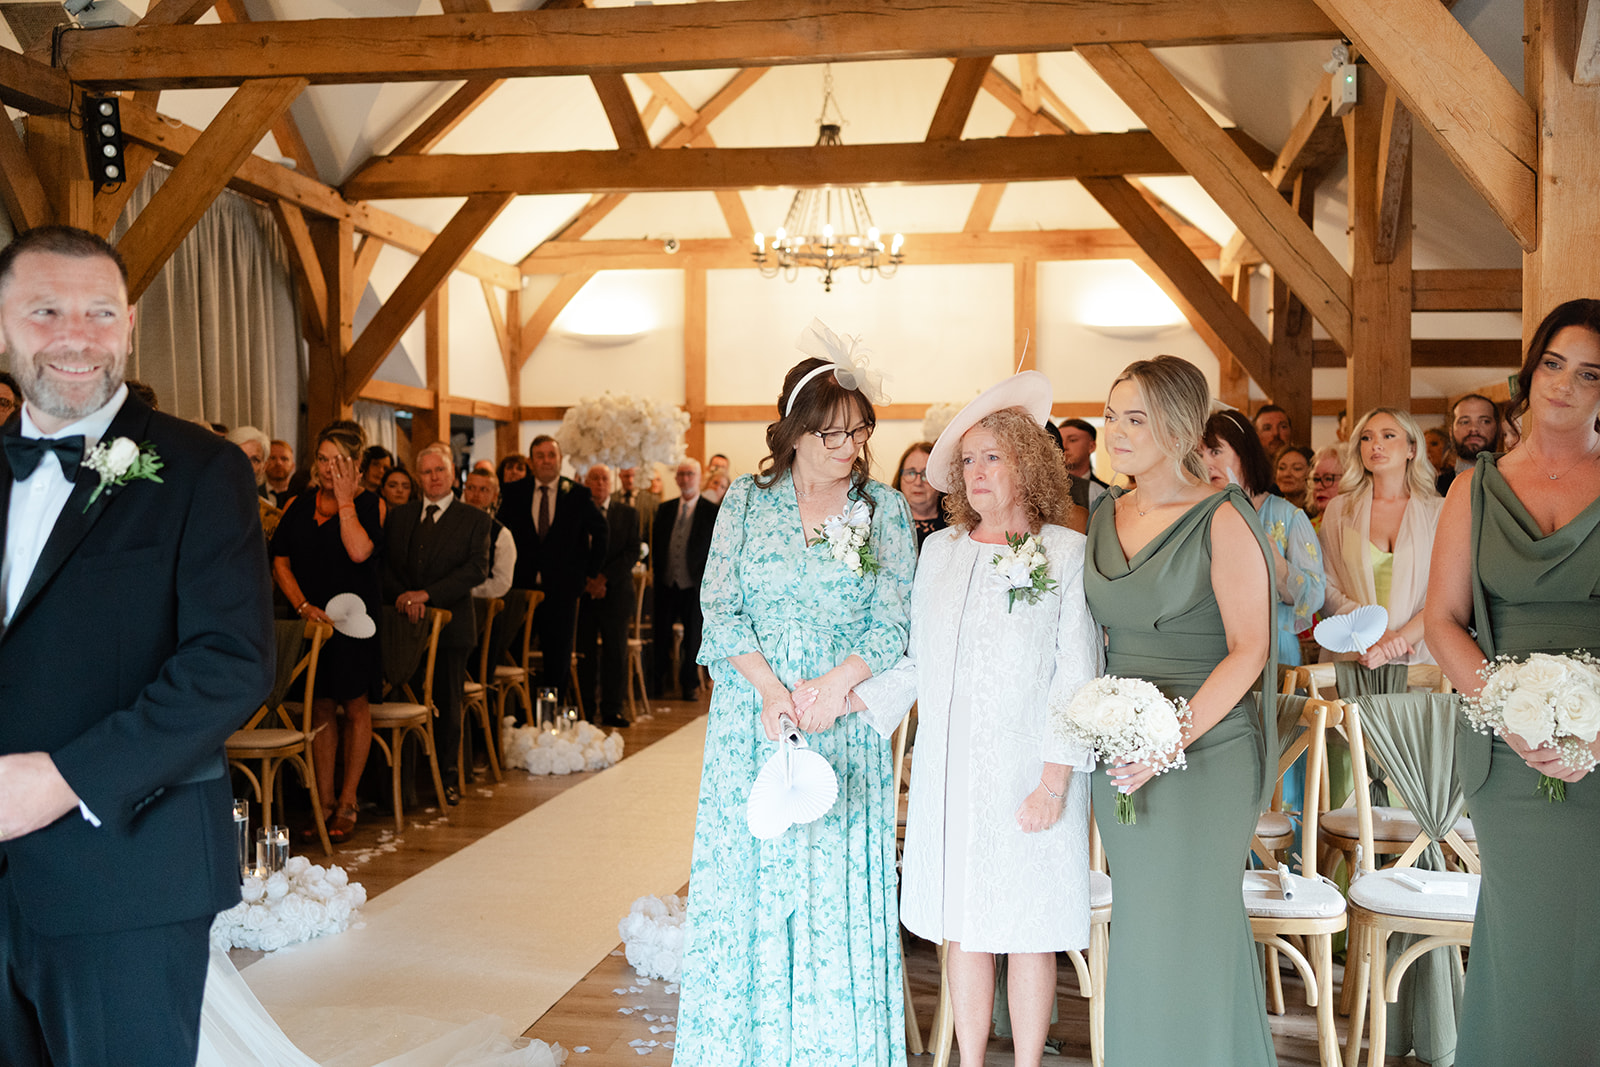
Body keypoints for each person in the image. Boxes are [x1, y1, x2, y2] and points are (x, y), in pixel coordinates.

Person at [0, 225, 273, 1065]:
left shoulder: (201, 468)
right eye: (45, 310)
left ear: (129, 326)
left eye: (100, 312)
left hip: (126, 874)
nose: (75, 335)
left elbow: (231, 661)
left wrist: (62, 780)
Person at [673, 334, 916, 1067]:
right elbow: (720, 605)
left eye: (861, 429)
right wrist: (772, 692)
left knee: (829, 886)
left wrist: (836, 686)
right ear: (795, 432)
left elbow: (894, 617)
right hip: (755, 719)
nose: (853, 443)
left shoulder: (885, 509)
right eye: (835, 430)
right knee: (753, 876)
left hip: (840, 724)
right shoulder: (747, 502)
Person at [854, 373, 1097, 1067]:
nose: (978, 471)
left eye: (993, 456)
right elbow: (916, 662)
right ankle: (969, 1057)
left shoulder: (1064, 553)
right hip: (950, 773)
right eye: (967, 460)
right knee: (961, 925)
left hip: (1030, 773)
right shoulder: (942, 553)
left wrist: (1053, 783)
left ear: (1027, 461)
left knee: (1025, 927)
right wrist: (849, 698)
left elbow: (1078, 674)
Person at [1085, 355, 1278, 1067]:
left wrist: (1169, 736)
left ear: (1179, 426)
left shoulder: (1223, 516)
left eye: (1136, 417)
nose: (1116, 430)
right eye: (1111, 414)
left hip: (1207, 752)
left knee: (1193, 928)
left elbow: (1249, 648)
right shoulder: (1106, 513)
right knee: (1143, 929)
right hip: (1122, 752)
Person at [1424, 299, 1600, 1066]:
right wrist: (1513, 718)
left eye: (1591, 373)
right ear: (1529, 372)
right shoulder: (1476, 489)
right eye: (1554, 364)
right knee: (1522, 938)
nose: (1565, 385)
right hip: (1507, 751)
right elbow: (1441, 621)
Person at [270, 423, 384, 843]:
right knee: (319, 708)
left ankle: (349, 801)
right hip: (311, 622)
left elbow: (358, 550)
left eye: (337, 461)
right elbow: (279, 561)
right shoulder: (299, 506)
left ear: (354, 464)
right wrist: (302, 606)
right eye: (321, 459)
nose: (327, 467)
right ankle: (324, 800)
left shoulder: (371, 505)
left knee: (354, 706)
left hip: (356, 622)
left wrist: (344, 500)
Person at [383, 443, 491, 803]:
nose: (433, 477)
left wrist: (426, 596)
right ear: (418, 477)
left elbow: (476, 569)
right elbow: (385, 565)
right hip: (403, 627)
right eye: (427, 472)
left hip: (452, 626)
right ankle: (403, 786)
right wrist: (404, 595)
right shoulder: (400, 517)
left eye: (440, 471)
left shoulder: (474, 519)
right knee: (402, 700)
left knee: (447, 702)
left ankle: (445, 778)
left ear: (452, 475)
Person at [1318, 407, 1442, 667]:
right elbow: (1326, 587)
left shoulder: (1439, 512)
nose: (1376, 445)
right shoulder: (1340, 510)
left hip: (1419, 654)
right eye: (1367, 437)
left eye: (1388, 436)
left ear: (1412, 449)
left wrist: (1395, 642)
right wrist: (1374, 635)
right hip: (1355, 652)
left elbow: (1445, 595)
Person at [1202, 411, 1325, 668]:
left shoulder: (1288, 516)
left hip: (1274, 650)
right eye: (1198, 454)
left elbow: (1313, 596)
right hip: (1209, 650)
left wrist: (1276, 562)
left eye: (1214, 452)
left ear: (1244, 453)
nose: (1206, 463)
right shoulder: (1199, 516)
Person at [497, 435, 605, 703]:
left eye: (551, 455)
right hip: (521, 587)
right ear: (532, 461)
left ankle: (553, 715)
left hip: (563, 589)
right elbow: (499, 533)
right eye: (540, 456)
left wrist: (589, 572)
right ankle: (518, 715)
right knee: (513, 652)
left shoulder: (577, 494)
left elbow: (601, 531)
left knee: (557, 656)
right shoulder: (514, 491)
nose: (546, 461)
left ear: (559, 459)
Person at [576, 464, 639, 727]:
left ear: (610, 483)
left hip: (616, 592)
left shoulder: (627, 513)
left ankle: (613, 709)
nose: (600, 483)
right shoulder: (577, 512)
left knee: (615, 653)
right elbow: (571, 548)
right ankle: (585, 708)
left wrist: (603, 578)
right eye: (594, 479)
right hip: (583, 591)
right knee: (585, 652)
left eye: (604, 479)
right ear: (585, 482)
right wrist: (588, 580)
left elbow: (632, 552)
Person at [651, 458, 717, 700]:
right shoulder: (665, 509)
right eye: (681, 474)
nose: (685, 478)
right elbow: (657, 545)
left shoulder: (711, 511)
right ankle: (657, 682)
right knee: (661, 634)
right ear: (676, 479)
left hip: (695, 583)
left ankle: (689, 684)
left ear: (699, 478)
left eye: (690, 474)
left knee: (693, 636)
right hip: (666, 582)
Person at [462, 467, 516, 600]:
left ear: (494, 496)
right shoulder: (450, 525)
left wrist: (465, 590)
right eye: (471, 488)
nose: (476, 494)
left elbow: (502, 583)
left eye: (483, 490)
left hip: (481, 604)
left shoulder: (502, 535)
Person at [1436, 393, 1502, 495]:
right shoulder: (1435, 488)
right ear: (1451, 432)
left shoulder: (1512, 482)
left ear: (1498, 430)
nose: (1474, 429)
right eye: (1465, 422)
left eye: (1484, 421)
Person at [892, 439, 946, 550]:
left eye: (925, 474)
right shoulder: (886, 522)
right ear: (900, 478)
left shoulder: (957, 526)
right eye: (911, 473)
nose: (918, 482)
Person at [1060, 417, 1109, 501]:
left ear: (1091, 446)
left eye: (1072, 440)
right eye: (1060, 441)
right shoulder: (1048, 490)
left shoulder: (1105, 492)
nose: (1064, 446)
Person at [613, 464, 659, 545]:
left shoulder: (651, 501)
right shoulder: (612, 499)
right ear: (620, 476)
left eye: (633, 476)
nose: (630, 480)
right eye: (626, 476)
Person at [262, 438, 307, 508]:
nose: (278, 463)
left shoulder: (302, 495)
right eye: (272, 458)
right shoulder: (254, 495)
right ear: (264, 464)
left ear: (293, 466)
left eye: (284, 459)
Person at [1304, 446, 1343, 524]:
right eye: (1316, 479)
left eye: (1328, 479)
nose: (1318, 487)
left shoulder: (1361, 525)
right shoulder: (1307, 528)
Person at [1273, 444, 1313, 509]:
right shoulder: (1269, 509)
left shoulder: (1320, 512)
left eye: (1297, 468)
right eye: (1282, 468)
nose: (1286, 474)